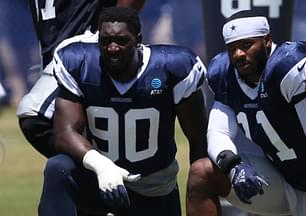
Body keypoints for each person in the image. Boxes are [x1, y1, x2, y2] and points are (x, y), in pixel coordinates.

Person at [39, 6, 208, 216]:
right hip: (99, 182)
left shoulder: (173, 67)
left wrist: (199, 190)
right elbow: (64, 134)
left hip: (153, 187)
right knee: (58, 167)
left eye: (121, 41)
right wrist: (101, 166)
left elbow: (198, 137)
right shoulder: (79, 64)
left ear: (138, 39)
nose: (112, 48)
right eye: (105, 41)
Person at [198, 10, 306, 216]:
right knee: (202, 173)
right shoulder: (224, 73)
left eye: (246, 45)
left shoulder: (290, 65)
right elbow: (217, 132)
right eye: (232, 48)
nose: (238, 54)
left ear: (266, 41)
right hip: (280, 177)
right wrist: (234, 166)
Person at [16, 0, 146, 158]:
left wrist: (110, 36)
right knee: (68, 148)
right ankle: (104, 172)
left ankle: (100, 172)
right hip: (54, 52)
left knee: (34, 115)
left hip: (84, 45)